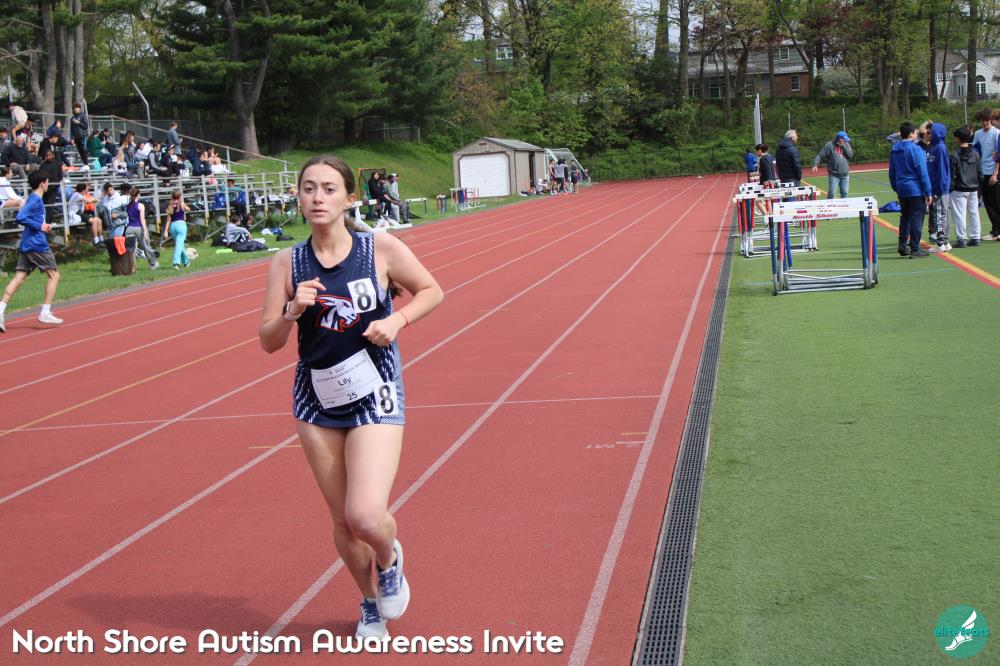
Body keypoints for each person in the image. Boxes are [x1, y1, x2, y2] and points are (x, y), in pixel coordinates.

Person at [258, 155, 443, 640]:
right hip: (315, 398)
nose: (318, 197)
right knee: (342, 519)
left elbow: (431, 290)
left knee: (365, 514)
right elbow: (268, 341)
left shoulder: (378, 247)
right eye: (309, 188)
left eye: (329, 189)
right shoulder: (286, 262)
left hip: (375, 390)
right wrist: (290, 310)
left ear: (349, 199)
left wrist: (397, 320)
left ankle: (389, 557)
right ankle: (369, 603)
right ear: (298, 198)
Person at [0, 172, 64, 332]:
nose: (48, 184)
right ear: (42, 183)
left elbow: (30, 219)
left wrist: (43, 226)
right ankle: (45, 312)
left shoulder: (33, 199)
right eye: (47, 182)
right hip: (37, 245)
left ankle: (0, 311)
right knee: (54, 276)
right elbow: (21, 217)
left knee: (19, 278)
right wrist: (40, 226)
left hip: (28, 243)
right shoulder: (35, 199)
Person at [889, 122, 932, 258]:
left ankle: (902, 244)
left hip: (902, 188)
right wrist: (928, 191)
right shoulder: (915, 149)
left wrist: (896, 186)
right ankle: (915, 248)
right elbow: (922, 171)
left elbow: (892, 171)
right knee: (916, 218)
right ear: (911, 134)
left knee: (905, 216)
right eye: (915, 132)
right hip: (915, 189)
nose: (917, 135)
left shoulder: (895, 150)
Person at [949, 126, 982, 248]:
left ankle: (962, 239)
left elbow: (952, 175)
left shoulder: (954, 155)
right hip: (974, 187)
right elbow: (980, 172)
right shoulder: (975, 154)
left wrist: (951, 188)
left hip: (959, 188)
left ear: (958, 139)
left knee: (959, 214)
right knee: (974, 213)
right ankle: (975, 237)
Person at [972, 108, 1000, 240]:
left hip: (994, 172)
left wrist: (995, 174)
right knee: (987, 203)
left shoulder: (997, 133)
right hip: (983, 172)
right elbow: (975, 151)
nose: (985, 123)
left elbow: (999, 156)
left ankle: (998, 231)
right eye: (982, 121)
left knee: (996, 202)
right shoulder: (978, 134)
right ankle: (995, 231)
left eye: (987, 120)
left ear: (990, 120)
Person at [926, 123, 951, 251]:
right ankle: (945, 242)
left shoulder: (940, 148)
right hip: (936, 187)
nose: (927, 134)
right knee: (942, 213)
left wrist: (938, 190)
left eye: (929, 132)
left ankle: (941, 243)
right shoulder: (933, 147)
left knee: (940, 214)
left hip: (939, 188)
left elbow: (941, 170)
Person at [124, 187, 159, 269]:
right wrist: (145, 231)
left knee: (131, 249)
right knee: (146, 246)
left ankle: (132, 267)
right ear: (138, 195)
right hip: (139, 228)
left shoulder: (128, 206)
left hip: (129, 228)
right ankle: (153, 264)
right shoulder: (141, 205)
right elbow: (142, 219)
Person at [811, 131, 853, 198]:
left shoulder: (847, 144)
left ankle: (844, 205)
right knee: (831, 193)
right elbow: (820, 155)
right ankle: (829, 205)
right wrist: (815, 164)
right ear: (840, 139)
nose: (846, 141)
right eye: (844, 139)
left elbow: (850, 156)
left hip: (845, 175)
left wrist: (843, 147)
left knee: (845, 193)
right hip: (834, 175)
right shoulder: (829, 145)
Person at [164, 190, 191, 269]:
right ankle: (176, 263)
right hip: (181, 225)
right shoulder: (181, 203)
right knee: (179, 245)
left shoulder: (170, 205)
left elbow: (168, 219)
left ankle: (186, 261)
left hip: (173, 226)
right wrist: (184, 206)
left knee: (180, 244)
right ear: (179, 196)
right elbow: (189, 209)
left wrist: (166, 230)